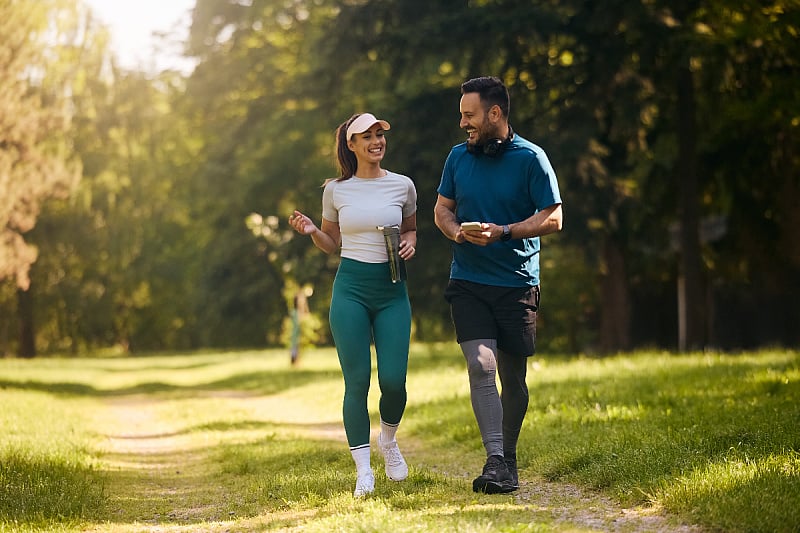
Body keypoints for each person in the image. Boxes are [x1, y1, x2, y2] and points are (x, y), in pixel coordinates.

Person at [433, 76, 563, 494]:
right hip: (468, 281)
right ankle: (494, 460)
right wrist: (456, 233)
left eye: (469, 116)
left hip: (516, 283)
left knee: (514, 379)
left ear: (495, 113)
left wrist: (505, 232)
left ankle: (508, 458)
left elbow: (554, 218)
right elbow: (441, 210)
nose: (463, 124)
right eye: (460, 115)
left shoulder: (531, 158)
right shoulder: (457, 158)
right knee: (480, 365)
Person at [289, 113, 417, 497]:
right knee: (357, 381)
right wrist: (314, 232)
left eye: (380, 135)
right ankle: (364, 471)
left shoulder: (403, 185)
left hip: (392, 291)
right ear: (352, 144)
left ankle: (389, 441)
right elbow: (333, 242)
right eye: (368, 136)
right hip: (351, 291)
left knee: (393, 380)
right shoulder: (336, 190)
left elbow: (411, 228)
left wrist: (412, 242)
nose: (377, 141)